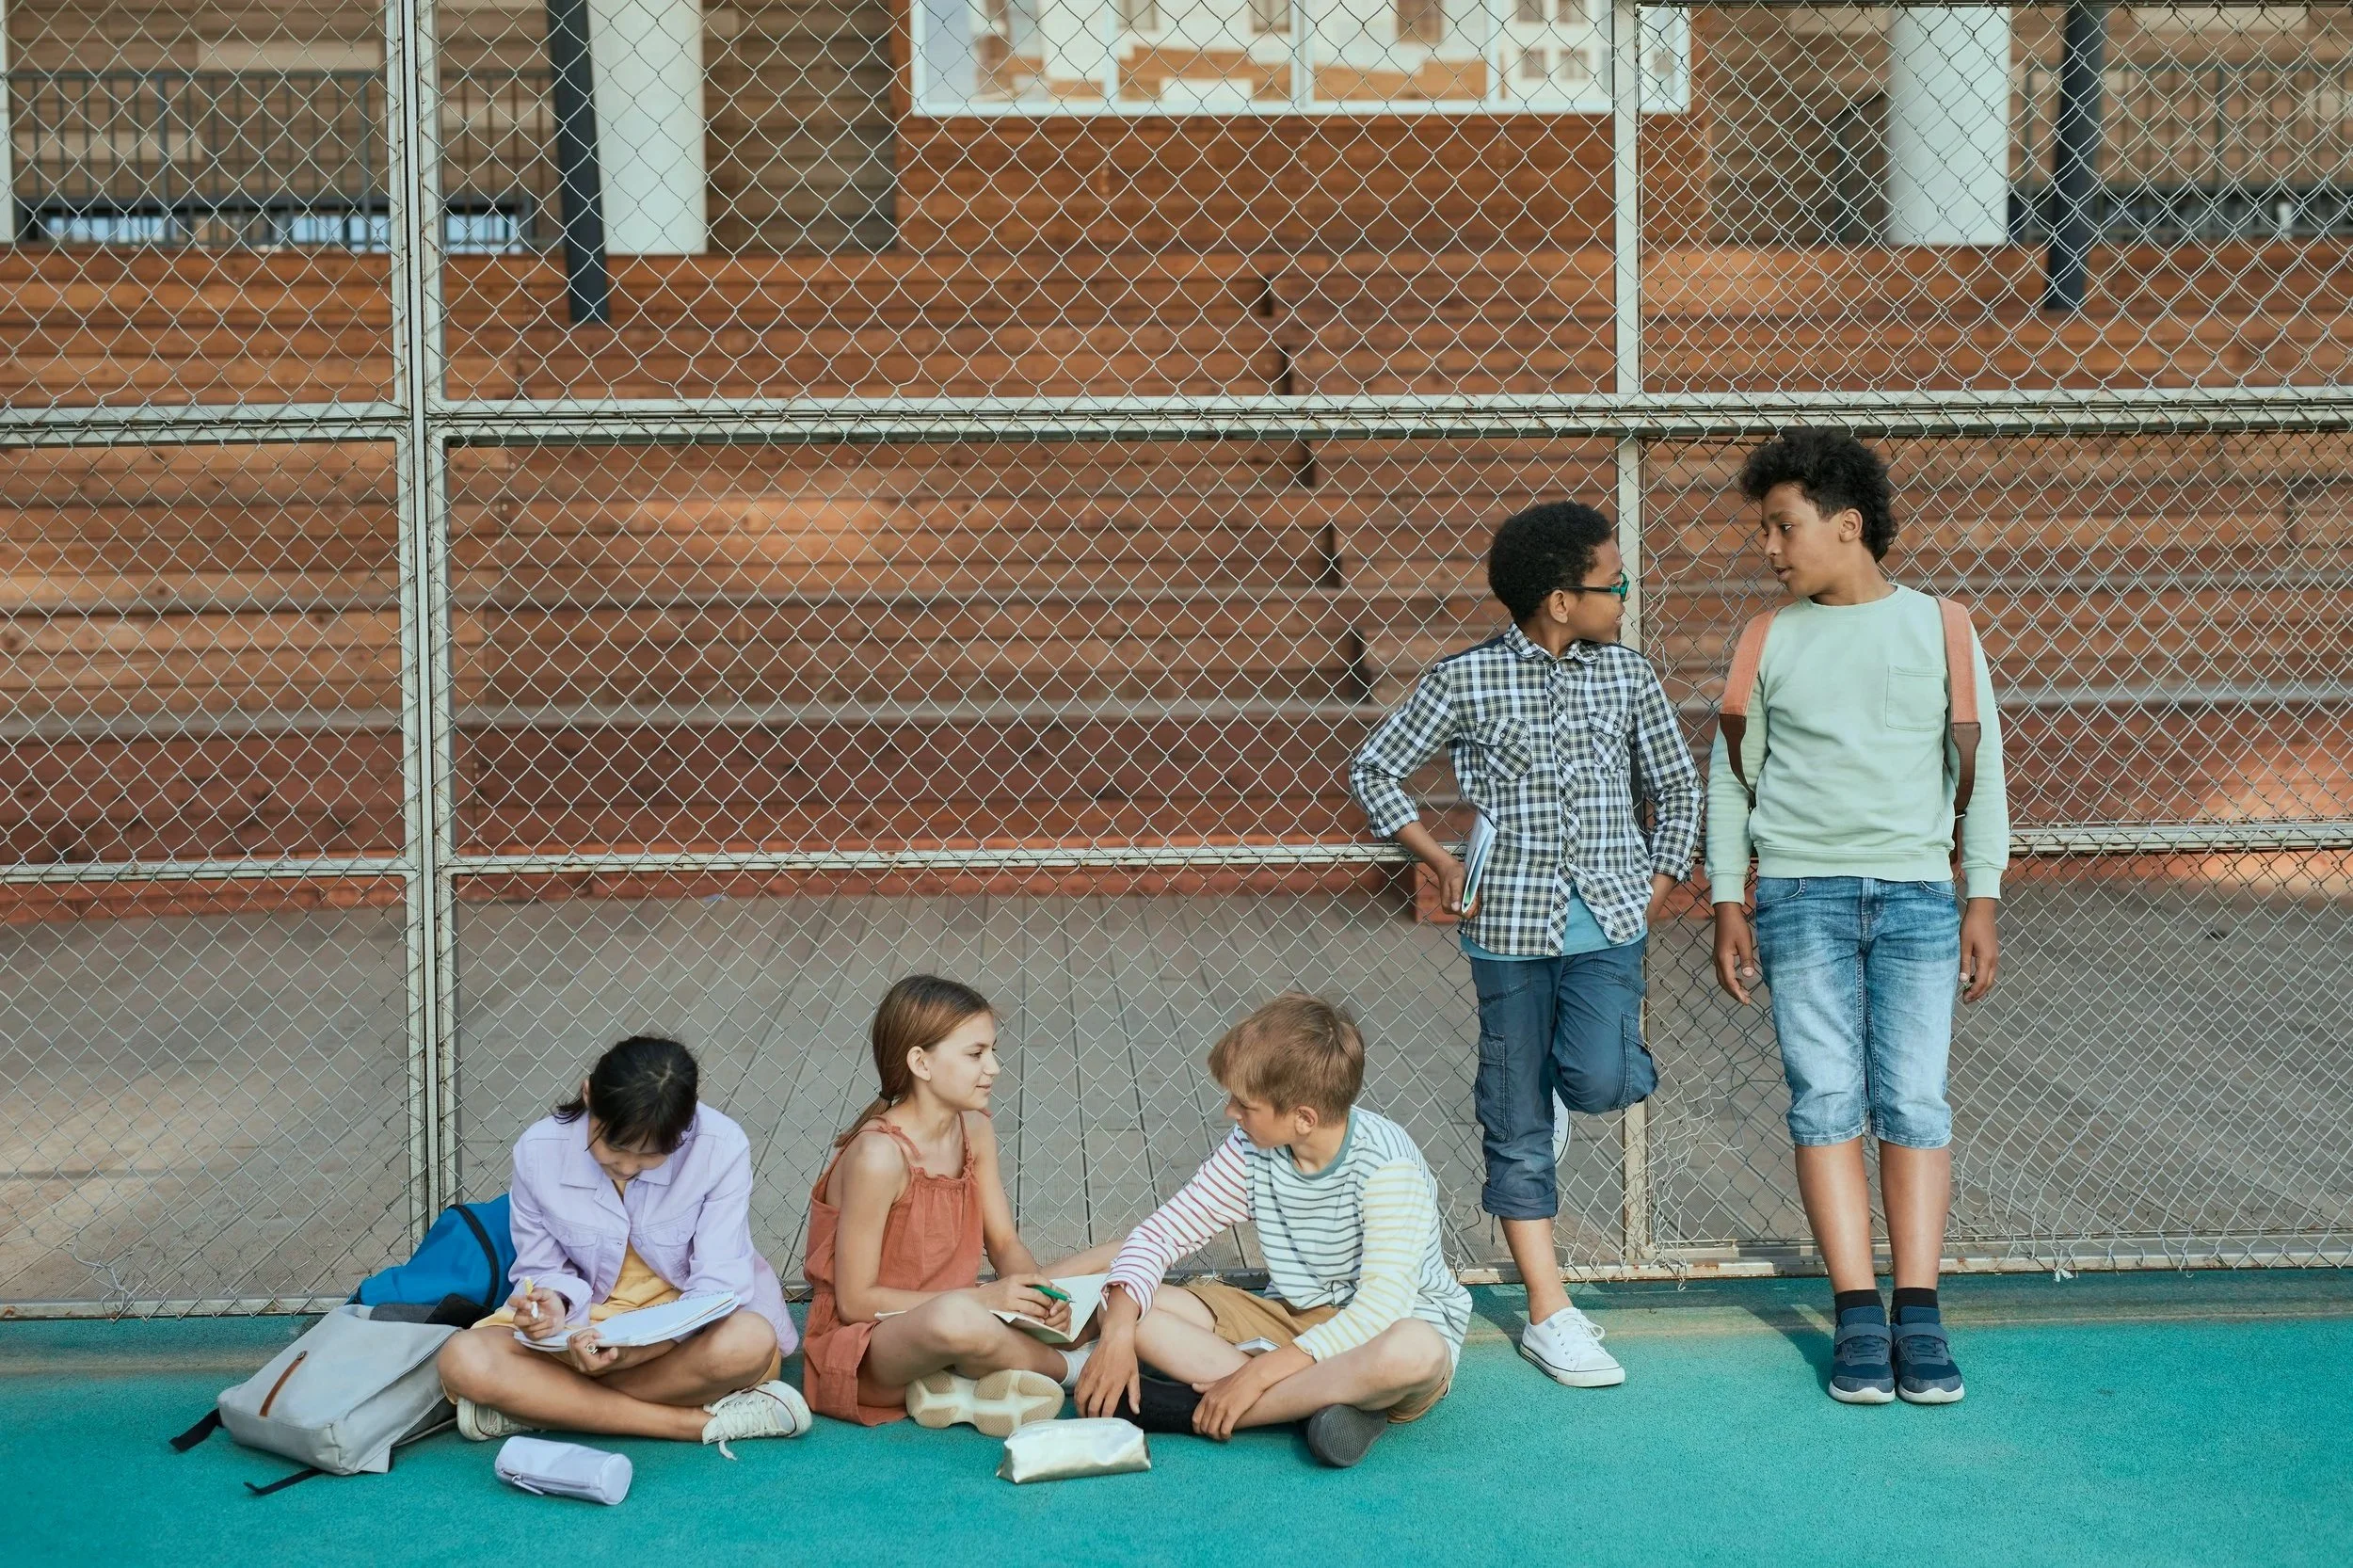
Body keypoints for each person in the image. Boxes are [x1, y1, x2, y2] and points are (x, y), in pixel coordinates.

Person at [1350, 500, 1701, 1387]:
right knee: (1514, 1120)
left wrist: (1659, 882)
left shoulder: (1626, 676)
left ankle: (1554, 1093)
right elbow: (1374, 766)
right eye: (1611, 583)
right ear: (1558, 599)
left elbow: (1677, 786)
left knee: (1600, 1078)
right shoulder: (1462, 680)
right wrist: (1434, 854)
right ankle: (1551, 1311)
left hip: (1611, 922)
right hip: (1505, 928)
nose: (1623, 594)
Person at [1706, 427, 2008, 1405]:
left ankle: (1916, 1312)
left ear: (1847, 526)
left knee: (1914, 1102)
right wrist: (1725, 895)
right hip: (1799, 898)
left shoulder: (1945, 629)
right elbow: (1731, 781)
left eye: (1784, 528)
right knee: (1825, 1100)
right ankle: (1855, 1313)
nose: (1770, 549)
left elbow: (1983, 773)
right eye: (1764, 531)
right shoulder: (1767, 639)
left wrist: (1980, 895)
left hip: (1919, 897)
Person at [1076, 995, 1471, 1469]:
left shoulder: (1388, 1166)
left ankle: (1190, 1410)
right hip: (1292, 1317)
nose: (1230, 1113)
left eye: (1245, 1104)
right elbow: (1161, 1234)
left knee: (1415, 1351)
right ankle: (1318, 1407)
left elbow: (1379, 1310)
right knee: (1134, 1307)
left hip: (1382, 1333)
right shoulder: (1250, 1147)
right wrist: (1118, 1333)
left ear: (1303, 1117)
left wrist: (1259, 1374)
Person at [436, 1034, 811, 1449]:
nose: (629, 1166)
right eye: (615, 1146)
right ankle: (694, 1425)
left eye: (652, 1155)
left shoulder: (721, 1145)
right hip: (580, 1326)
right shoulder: (538, 1150)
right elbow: (540, 1270)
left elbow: (719, 1285)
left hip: (680, 1329)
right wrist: (548, 1307)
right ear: (589, 1095)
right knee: (462, 1358)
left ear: (684, 1129)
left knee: (750, 1342)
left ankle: (543, 1407)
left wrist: (634, 1352)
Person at [801, 974, 1117, 1432]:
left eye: (992, 1051)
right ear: (920, 1062)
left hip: (974, 1309)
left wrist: (1039, 1298)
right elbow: (854, 1302)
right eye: (975, 1054)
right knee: (956, 1318)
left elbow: (1004, 1241)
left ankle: (968, 1383)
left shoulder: (975, 1127)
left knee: (1125, 1253)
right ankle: (1071, 1369)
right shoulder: (878, 1155)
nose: (994, 1068)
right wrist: (985, 1300)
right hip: (872, 1348)